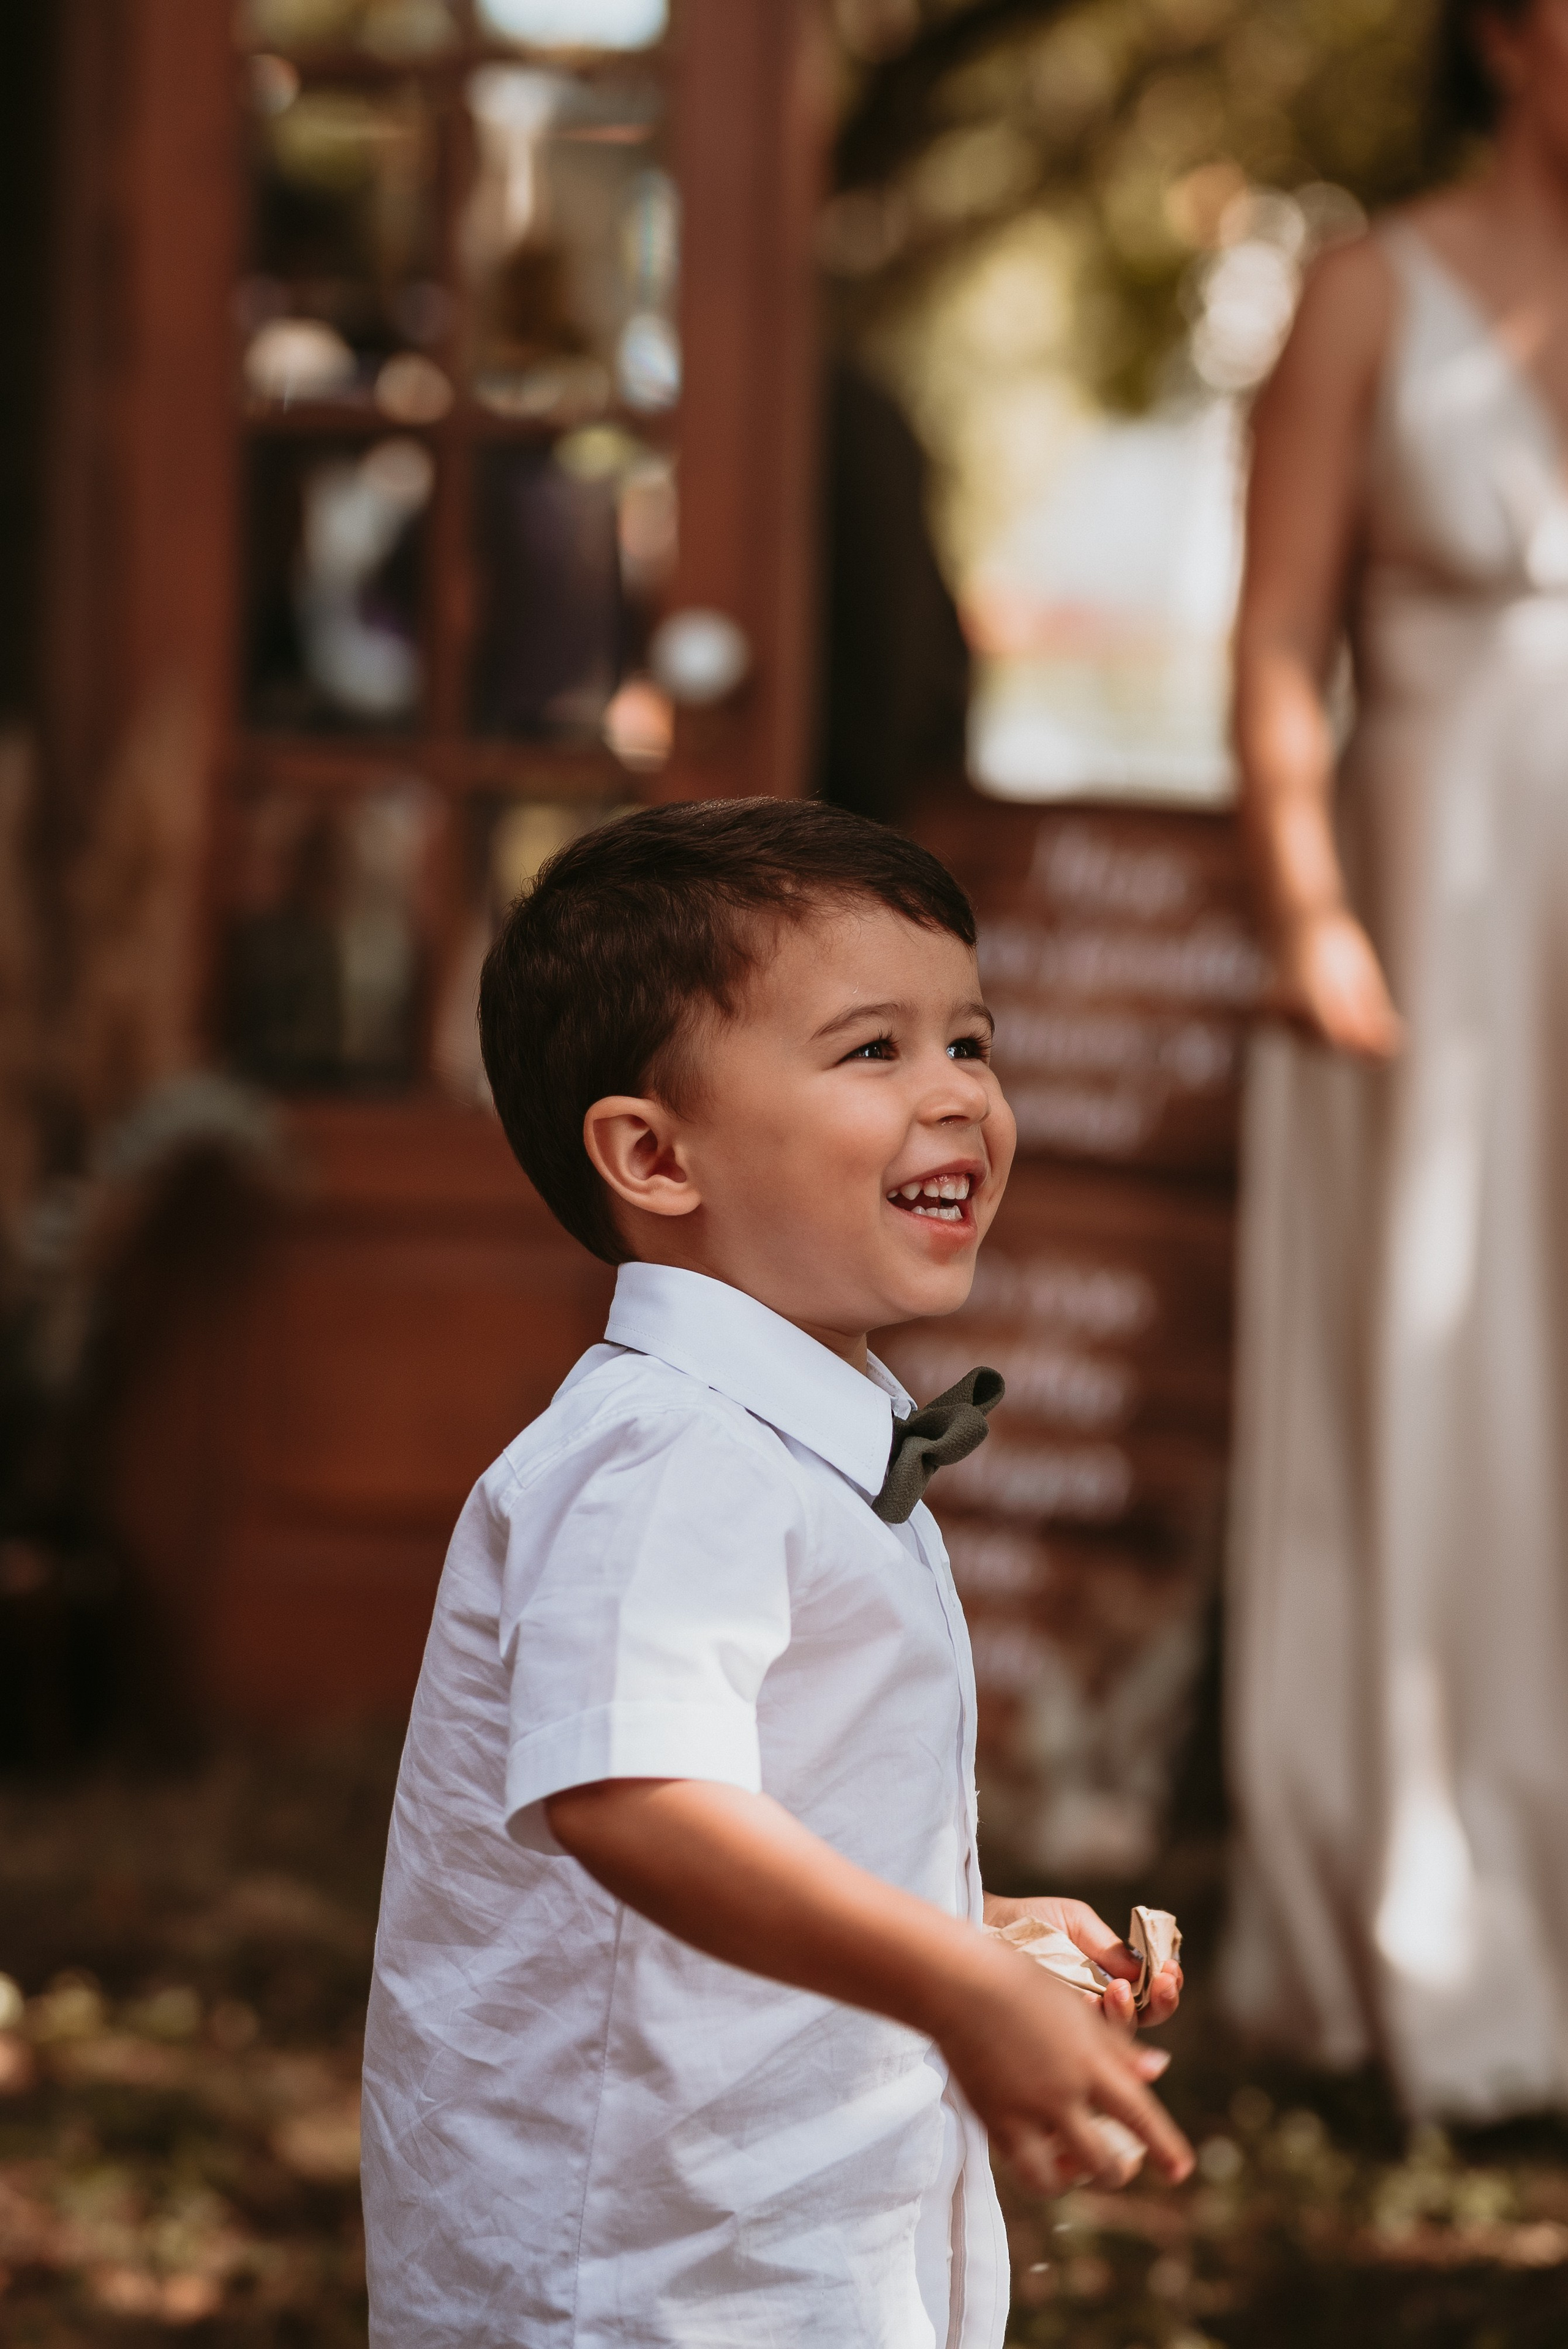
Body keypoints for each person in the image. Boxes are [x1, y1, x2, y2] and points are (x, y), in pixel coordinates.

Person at [360, 800, 1189, 2348]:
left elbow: (761, 1802)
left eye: (970, 1041)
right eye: (871, 1050)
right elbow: (638, 1798)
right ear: (654, 1154)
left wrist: (971, 1919)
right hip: (644, 2281)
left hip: (784, 2247)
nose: (955, 1095)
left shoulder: (791, 1433)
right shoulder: (667, 1456)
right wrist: (947, 1985)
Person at [1226, 0, 1568, 2118]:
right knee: (1443, 1385)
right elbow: (1275, 632)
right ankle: (1434, 1926)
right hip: (1438, 909)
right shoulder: (1371, 285)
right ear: (1509, 34)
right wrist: (1304, 906)